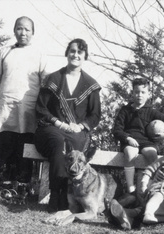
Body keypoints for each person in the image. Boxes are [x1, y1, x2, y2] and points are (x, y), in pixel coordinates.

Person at [34, 38, 101, 213]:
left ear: (85, 56)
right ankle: (57, 194)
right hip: (50, 128)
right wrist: (59, 123)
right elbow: (40, 108)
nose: (75, 55)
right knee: (58, 142)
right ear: (67, 53)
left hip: (76, 131)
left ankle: (72, 196)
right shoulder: (53, 79)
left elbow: (95, 115)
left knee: (77, 147)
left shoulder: (91, 85)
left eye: (80, 52)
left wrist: (81, 126)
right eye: (72, 51)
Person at [0, 16, 48, 184]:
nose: (23, 33)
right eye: (19, 28)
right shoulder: (5, 52)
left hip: (28, 108)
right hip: (6, 106)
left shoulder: (39, 54)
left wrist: (45, 109)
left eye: (27, 29)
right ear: (14, 30)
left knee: (25, 146)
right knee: (6, 143)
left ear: (33, 32)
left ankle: (22, 186)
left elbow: (46, 82)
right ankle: (0, 183)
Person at [113, 77, 164, 195]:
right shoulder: (125, 110)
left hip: (147, 141)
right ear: (132, 93)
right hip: (130, 140)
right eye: (136, 92)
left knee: (152, 154)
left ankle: (151, 186)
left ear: (148, 94)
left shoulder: (151, 111)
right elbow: (117, 129)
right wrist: (127, 138)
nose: (139, 95)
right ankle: (130, 188)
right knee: (130, 154)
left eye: (143, 92)